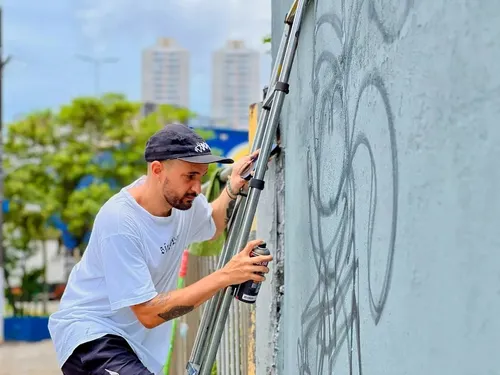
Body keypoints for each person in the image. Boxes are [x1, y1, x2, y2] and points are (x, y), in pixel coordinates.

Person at [48, 123, 273, 375]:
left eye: (201, 176)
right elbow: (149, 312)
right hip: (92, 336)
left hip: (133, 344)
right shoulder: (121, 221)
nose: (197, 188)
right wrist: (227, 275)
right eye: (189, 176)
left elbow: (212, 224)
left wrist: (231, 188)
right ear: (157, 169)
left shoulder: (184, 205)